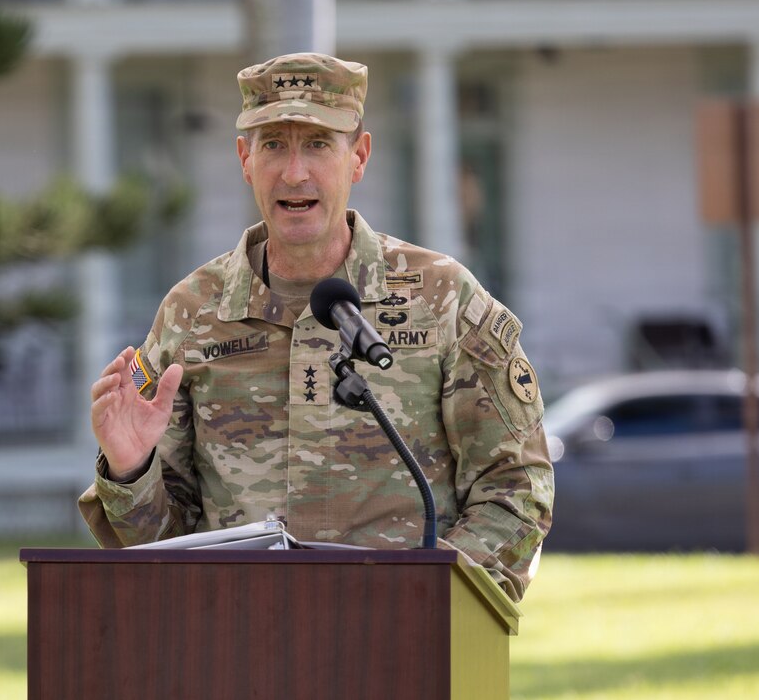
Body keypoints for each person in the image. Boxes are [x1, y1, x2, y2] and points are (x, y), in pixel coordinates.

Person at [78, 53, 553, 601]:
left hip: (406, 638)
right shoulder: (192, 313)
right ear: (244, 159)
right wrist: (131, 467)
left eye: (319, 144)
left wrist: (427, 596)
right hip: (242, 637)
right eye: (274, 144)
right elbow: (165, 549)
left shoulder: (442, 297)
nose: (294, 172)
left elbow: (516, 489)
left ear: (359, 157)